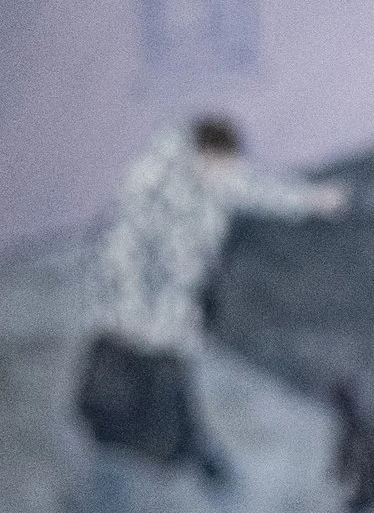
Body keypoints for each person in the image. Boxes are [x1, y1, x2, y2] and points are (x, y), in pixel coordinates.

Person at [75, 114, 345, 488]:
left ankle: (178, 448)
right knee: (130, 385)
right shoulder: (155, 187)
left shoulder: (215, 177)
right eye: (220, 167)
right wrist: (129, 310)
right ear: (201, 155)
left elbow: (256, 188)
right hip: (134, 315)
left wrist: (312, 199)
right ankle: (126, 453)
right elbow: (122, 248)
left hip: (175, 309)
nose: (226, 176)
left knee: (170, 386)